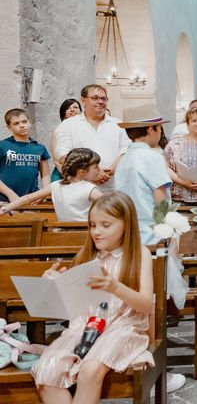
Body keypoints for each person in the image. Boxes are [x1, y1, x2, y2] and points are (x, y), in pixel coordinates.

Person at [31, 192, 154, 404]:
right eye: (92, 225)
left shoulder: (138, 254)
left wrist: (115, 287)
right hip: (84, 327)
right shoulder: (86, 256)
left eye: (105, 225)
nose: (96, 232)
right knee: (46, 370)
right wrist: (52, 285)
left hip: (123, 327)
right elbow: (70, 307)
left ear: (126, 224)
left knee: (90, 370)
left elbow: (145, 304)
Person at [115, 103, 173, 245]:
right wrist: (168, 229)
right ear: (150, 129)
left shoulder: (123, 159)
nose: (160, 133)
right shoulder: (152, 157)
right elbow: (160, 198)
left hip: (128, 230)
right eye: (159, 128)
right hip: (151, 233)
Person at [54, 85, 130, 192]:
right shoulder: (68, 125)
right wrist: (91, 172)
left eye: (103, 98)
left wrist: (112, 169)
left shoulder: (118, 125)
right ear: (83, 100)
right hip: (81, 190)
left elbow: (126, 151)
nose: (100, 101)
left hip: (114, 188)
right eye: (95, 98)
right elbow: (62, 155)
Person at [0, 148, 102, 221]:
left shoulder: (56, 185)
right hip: (85, 234)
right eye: (96, 167)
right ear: (82, 171)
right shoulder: (90, 189)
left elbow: (27, 198)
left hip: (61, 234)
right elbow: (112, 206)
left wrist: (5, 208)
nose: (99, 170)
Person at [0, 108, 51, 203]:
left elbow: (45, 175)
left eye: (24, 121)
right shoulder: (2, 146)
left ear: (30, 123)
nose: (22, 125)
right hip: (5, 200)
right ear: (9, 127)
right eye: (16, 123)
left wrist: (43, 194)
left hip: (32, 200)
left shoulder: (39, 148)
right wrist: (10, 194)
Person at [51, 99, 82, 182]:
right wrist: (68, 176)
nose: (72, 109)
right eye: (68, 108)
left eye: (75, 107)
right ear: (64, 114)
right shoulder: (59, 129)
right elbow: (56, 159)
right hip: (62, 173)